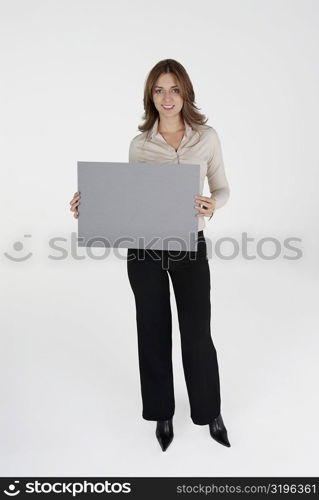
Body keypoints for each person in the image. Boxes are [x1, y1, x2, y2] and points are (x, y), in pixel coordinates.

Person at [69, 58, 231, 452]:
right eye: (158, 90)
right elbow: (127, 199)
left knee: (196, 333)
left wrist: (213, 205)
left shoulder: (206, 137)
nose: (167, 97)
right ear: (150, 96)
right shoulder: (140, 145)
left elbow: (222, 188)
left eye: (174, 88)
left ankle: (209, 410)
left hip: (189, 247)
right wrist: (88, 206)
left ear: (185, 92)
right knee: (153, 331)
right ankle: (162, 413)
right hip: (144, 251)